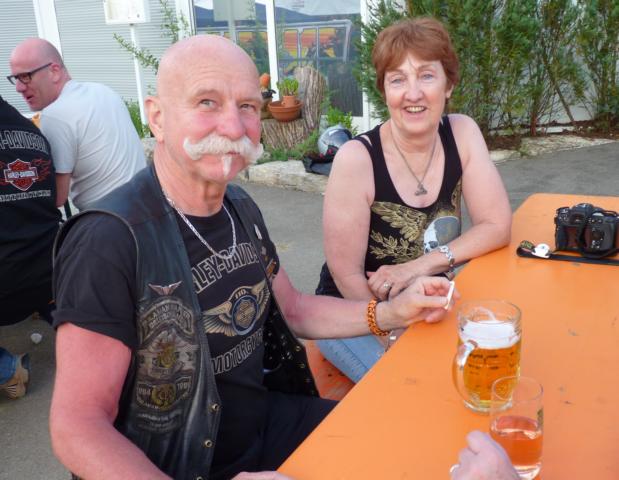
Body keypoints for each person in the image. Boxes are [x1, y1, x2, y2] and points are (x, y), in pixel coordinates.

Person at [48, 35, 455, 480]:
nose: (233, 126)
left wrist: (393, 312)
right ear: (158, 118)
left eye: (246, 106)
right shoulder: (108, 239)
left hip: (263, 422)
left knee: (409, 442)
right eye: (207, 102)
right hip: (184, 464)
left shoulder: (238, 205)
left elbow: (294, 309)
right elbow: (78, 425)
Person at [315, 17, 512, 382]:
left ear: (448, 84)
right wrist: (390, 331)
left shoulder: (462, 133)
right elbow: (346, 275)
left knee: (491, 368)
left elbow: (497, 225)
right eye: (398, 79)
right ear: (384, 91)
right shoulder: (357, 160)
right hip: (354, 314)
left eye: (426, 75)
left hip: (429, 303)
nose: (413, 93)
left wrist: (417, 267)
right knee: (418, 386)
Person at [8, 38, 146, 211]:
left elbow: (57, 197)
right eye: (15, 78)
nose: (19, 88)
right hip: (147, 207)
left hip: (109, 219)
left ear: (54, 71)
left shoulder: (55, 115)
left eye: (25, 77)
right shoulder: (104, 91)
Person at [0, 94, 60, 398]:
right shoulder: (32, 131)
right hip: (51, 271)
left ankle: (7, 369)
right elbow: (55, 198)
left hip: (7, 289)